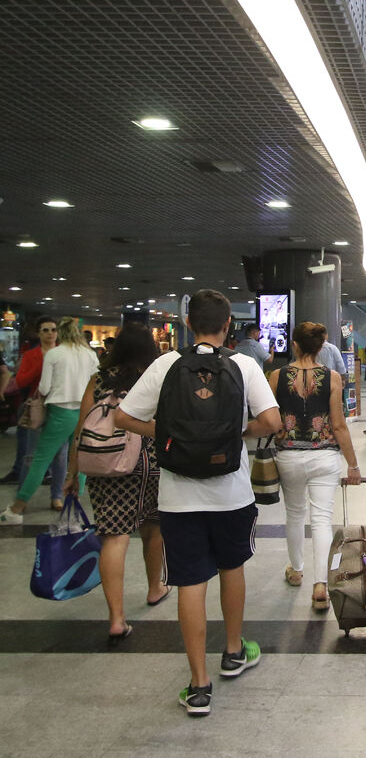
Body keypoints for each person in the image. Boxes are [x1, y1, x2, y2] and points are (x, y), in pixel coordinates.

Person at [115, 289, 281, 717]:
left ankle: (199, 685)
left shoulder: (166, 364)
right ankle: (232, 652)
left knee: (190, 583)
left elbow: (123, 417)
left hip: (178, 497)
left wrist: (171, 438)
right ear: (229, 326)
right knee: (232, 568)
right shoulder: (244, 365)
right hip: (232, 494)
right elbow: (272, 421)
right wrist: (231, 437)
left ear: (188, 323)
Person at [62, 322, 168, 643]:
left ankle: (117, 619)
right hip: (147, 463)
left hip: (103, 463)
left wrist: (71, 473)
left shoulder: (98, 380)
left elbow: (81, 429)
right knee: (152, 526)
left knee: (114, 535)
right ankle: (154, 588)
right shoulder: (153, 378)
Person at [268, 322, 361, 611]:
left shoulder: (276, 376)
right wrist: (353, 465)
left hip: (289, 456)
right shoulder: (332, 378)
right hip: (324, 456)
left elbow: (269, 418)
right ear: (321, 347)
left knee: (295, 514)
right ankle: (320, 585)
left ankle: (296, 570)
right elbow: (338, 424)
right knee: (321, 520)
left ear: (294, 345)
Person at [2, 317, 99, 523]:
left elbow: (44, 388)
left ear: (60, 334)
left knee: (40, 459)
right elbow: (96, 385)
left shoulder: (55, 354)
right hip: (84, 411)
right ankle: (74, 499)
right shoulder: (90, 355)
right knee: (79, 458)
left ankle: (18, 506)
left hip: (60, 412)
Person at [2, 316, 60, 490]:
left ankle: (51, 481)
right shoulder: (30, 355)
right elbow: (21, 381)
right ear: (39, 333)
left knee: (57, 449)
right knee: (28, 446)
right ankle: (22, 480)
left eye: (53, 330)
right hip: (32, 404)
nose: (50, 333)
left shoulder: (63, 353)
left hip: (56, 405)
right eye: (45, 330)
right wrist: (42, 364)